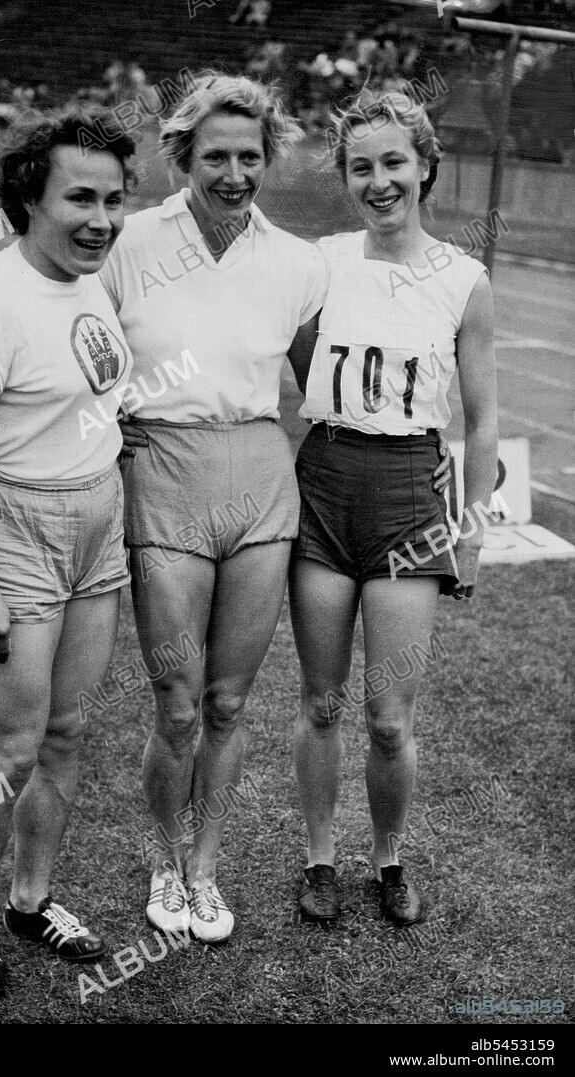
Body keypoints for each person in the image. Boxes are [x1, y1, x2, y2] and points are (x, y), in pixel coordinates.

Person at [98, 73, 450, 943]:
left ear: (267, 159)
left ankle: (206, 870)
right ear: (181, 155)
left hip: (261, 483)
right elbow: (79, 349)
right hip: (165, 476)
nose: (232, 172)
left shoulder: (295, 260)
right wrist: (105, 427)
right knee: (176, 703)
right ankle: (164, 861)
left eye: (248, 156)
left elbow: (323, 379)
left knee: (227, 703)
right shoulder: (129, 242)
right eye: (214, 154)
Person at [0, 107, 136, 993]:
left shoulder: (92, 279)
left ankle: (30, 898)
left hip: (98, 520)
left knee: (68, 733)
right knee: (8, 748)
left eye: (115, 199)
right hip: (15, 533)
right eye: (79, 198)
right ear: (28, 200)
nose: (102, 218)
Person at [288, 85, 498, 927]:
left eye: (393, 164)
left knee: (386, 717)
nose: (379, 182)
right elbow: (297, 364)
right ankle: (318, 858)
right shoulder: (321, 263)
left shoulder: (464, 278)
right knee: (319, 699)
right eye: (361, 166)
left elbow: (481, 424)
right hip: (326, 482)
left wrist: (472, 538)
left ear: (425, 169)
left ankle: (387, 858)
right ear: (344, 175)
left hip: (412, 494)